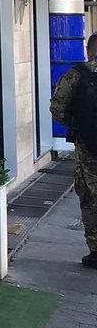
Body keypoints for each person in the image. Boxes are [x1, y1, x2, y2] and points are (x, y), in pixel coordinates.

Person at [49, 32, 97, 268]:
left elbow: (57, 108)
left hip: (88, 148)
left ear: (89, 50)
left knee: (89, 197)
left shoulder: (76, 75)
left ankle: (96, 251)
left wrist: (77, 125)